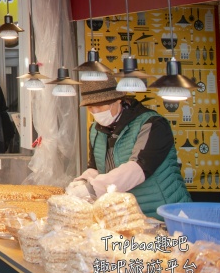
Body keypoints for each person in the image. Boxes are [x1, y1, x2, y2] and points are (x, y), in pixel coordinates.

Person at [67, 81, 191, 218]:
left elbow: (138, 169)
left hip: (166, 213)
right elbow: (95, 167)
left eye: (100, 106)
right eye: (90, 107)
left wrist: (92, 189)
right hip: (129, 215)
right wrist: (83, 181)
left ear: (118, 100)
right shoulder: (96, 131)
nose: (95, 112)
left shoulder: (153, 124)